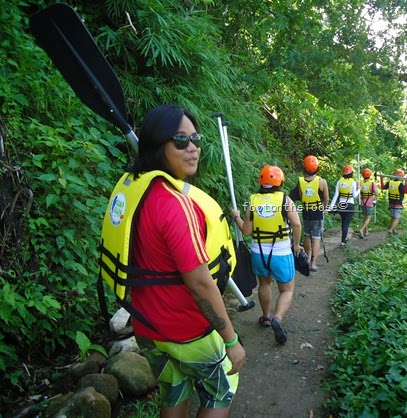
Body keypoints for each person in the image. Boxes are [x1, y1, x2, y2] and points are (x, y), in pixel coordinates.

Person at [101, 104, 245, 418]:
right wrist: (231, 339)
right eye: (180, 141)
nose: (192, 148)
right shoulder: (176, 205)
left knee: (174, 391)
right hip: (186, 331)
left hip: (148, 327)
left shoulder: (137, 189)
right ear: (157, 144)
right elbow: (200, 283)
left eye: (196, 139)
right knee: (221, 391)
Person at [231, 165, 302, 345]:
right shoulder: (285, 200)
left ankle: (265, 317)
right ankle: (277, 318)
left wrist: (236, 217)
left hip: (259, 252)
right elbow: (296, 224)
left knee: (264, 283)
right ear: (280, 181)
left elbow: (246, 231)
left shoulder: (253, 201)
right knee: (287, 289)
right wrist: (296, 244)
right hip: (281, 252)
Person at [289, 155, 329, 272]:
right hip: (317, 212)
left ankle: (307, 260)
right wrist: (324, 209)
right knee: (316, 237)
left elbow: (301, 197)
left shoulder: (301, 181)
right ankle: (313, 264)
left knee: (307, 234)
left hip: (306, 211)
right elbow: (326, 198)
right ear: (317, 168)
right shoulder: (322, 182)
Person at [330, 165, 359, 246]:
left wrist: (331, 206)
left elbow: (336, 195)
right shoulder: (353, 182)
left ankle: (344, 239)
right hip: (350, 205)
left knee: (343, 223)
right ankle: (343, 241)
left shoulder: (340, 181)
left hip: (341, 205)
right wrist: (359, 189)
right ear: (351, 173)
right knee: (346, 223)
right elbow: (354, 195)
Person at [381, 169, 407, 235]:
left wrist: (381, 179)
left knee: (393, 217)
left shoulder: (390, 182)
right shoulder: (400, 184)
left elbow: (383, 187)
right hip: (398, 204)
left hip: (391, 203)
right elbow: (406, 191)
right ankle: (391, 230)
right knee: (397, 218)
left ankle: (394, 230)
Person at [358, 168, 378, 238]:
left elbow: (358, 191)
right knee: (368, 217)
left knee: (365, 217)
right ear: (370, 175)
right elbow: (376, 193)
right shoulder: (372, 183)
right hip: (369, 203)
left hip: (362, 202)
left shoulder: (360, 182)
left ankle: (366, 231)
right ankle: (362, 229)